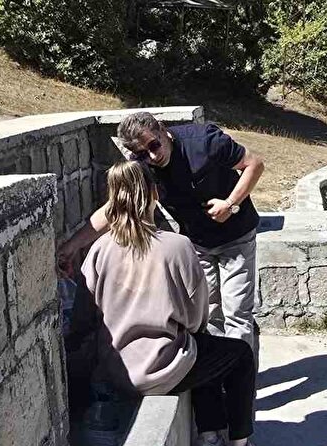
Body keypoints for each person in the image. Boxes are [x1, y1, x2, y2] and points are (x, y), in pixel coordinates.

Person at [80, 160, 266, 446]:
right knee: (236, 355)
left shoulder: (99, 249)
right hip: (158, 371)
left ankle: (209, 438)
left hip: (115, 368)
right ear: (154, 195)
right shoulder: (176, 246)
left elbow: (86, 315)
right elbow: (196, 317)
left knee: (202, 350)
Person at [60, 111, 265, 354]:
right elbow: (114, 208)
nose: (152, 156)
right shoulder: (142, 165)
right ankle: (223, 377)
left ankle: (242, 385)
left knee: (237, 314)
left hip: (236, 236)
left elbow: (255, 164)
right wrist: (70, 247)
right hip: (197, 243)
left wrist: (230, 204)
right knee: (209, 316)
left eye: (154, 145)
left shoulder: (204, 141)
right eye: (142, 153)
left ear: (161, 129)